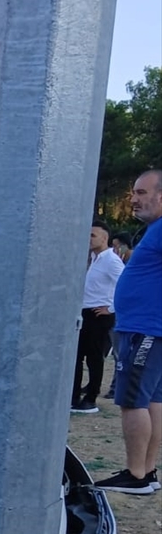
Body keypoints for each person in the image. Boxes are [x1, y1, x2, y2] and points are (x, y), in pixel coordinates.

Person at [94, 170, 162, 495]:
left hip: (145, 329)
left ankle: (135, 475)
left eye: (141, 192)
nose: (133, 199)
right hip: (147, 328)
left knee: (133, 401)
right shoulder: (154, 230)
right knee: (152, 401)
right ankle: (147, 472)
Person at [71, 219, 124, 414]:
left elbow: (125, 283)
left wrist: (111, 308)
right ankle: (74, 395)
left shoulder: (111, 260)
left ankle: (90, 398)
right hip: (85, 312)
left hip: (98, 315)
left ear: (105, 238)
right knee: (76, 357)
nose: (89, 239)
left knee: (94, 358)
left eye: (93, 235)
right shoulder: (93, 259)